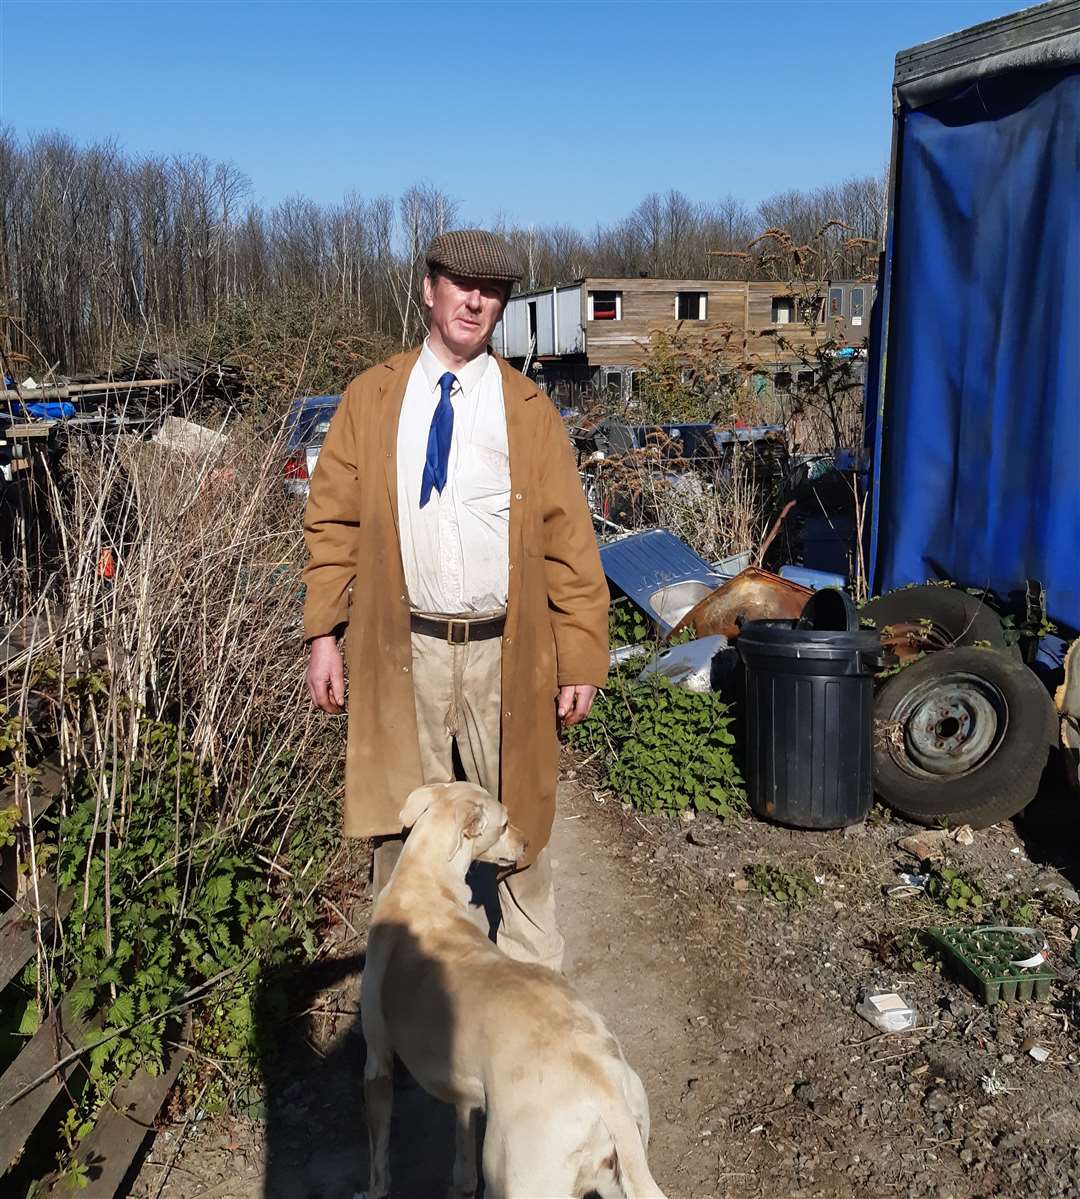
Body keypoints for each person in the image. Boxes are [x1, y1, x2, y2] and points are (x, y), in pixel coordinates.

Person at [302, 229, 609, 971]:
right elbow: (332, 522)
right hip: (402, 647)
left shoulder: (528, 409)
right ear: (429, 289)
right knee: (402, 833)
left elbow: (570, 539)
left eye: (493, 289)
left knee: (519, 832)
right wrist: (324, 635)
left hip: (506, 651)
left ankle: (537, 997)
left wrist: (581, 656)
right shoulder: (373, 398)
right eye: (461, 284)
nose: (476, 300)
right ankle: (407, 998)